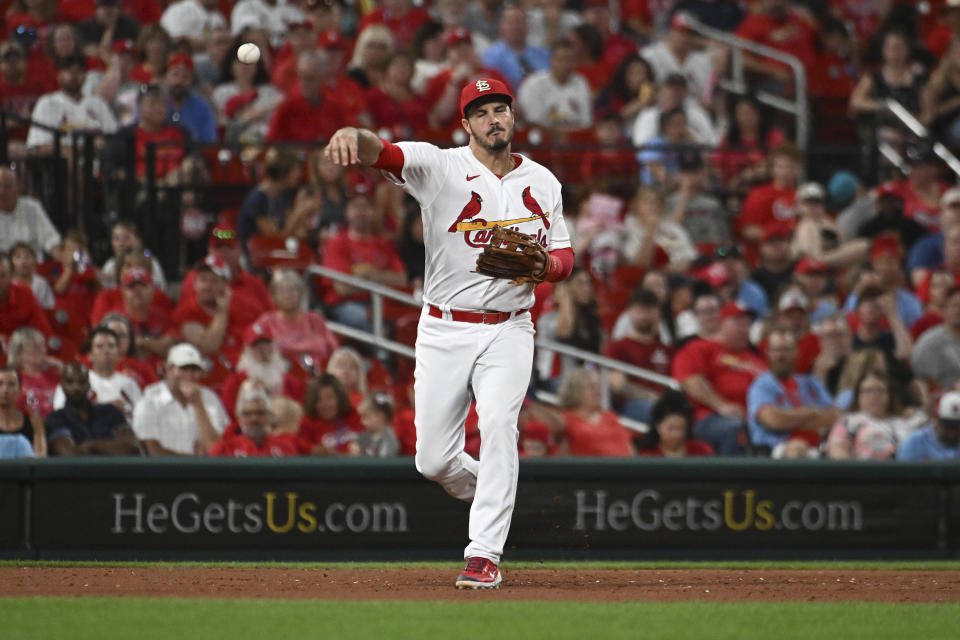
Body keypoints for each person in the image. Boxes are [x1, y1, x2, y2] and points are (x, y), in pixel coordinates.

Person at [324, 76, 574, 589]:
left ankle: (483, 554)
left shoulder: (544, 181)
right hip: (443, 327)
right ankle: (495, 491)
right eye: (481, 112)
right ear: (466, 124)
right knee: (433, 459)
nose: (492, 119)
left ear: (512, 116)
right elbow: (385, 154)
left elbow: (565, 256)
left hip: (510, 328)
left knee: (500, 425)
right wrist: (354, 131)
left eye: (499, 109)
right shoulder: (441, 166)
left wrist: (547, 265)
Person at [671, 301, 767, 455]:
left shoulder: (757, 360)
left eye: (748, 325)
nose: (745, 330)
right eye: (739, 324)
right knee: (735, 429)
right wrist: (721, 406)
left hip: (757, 420)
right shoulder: (700, 348)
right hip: (710, 417)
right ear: (721, 324)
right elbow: (690, 380)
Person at [747, 329, 838, 458]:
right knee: (797, 447)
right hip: (775, 449)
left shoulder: (810, 382)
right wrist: (811, 413)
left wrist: (790, 419)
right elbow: (773, 420)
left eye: (786, 350)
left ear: (797, 352)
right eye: (776, 350)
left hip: (819, 446)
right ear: (767, 353)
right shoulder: (761, 385)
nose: (781, 355)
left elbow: (833, 416)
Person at [131, 342, 229, 456]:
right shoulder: (149, 400)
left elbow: (216, 449)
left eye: (194, 369)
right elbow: (152, 452)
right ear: (168, 368)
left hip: (205, 472)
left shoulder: (210, 398)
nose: (189, 375)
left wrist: (198, 405)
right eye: (183, 368)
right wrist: (196, 460)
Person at [26, 53, 118, 154]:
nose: (74, 76)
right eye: (69, 71)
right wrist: (84, 148)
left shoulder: (98, 103)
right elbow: (38, 147)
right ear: (59, 75)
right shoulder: (47, 103)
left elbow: (113, 135)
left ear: (85, 76)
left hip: (99, 163)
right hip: (63, 165)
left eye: (79, 71)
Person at [826, 370, 925, 460]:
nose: (874, 395)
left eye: (880, 390)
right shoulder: (848, 421)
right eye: (868, 391)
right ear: (858, 396)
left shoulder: (903, 422)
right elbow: (838, 451)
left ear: (889, 395)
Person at [46, 361, 139, 456]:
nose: (76, 387)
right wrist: (109, 447)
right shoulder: (55, 419)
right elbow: (69, 455)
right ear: (62, 386)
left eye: (82, 382)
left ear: (89, 385)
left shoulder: (110, 412)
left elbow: (132, 448)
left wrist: (91, 446)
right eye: (70, 382)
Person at [255, 269, 339, 373]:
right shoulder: (266, 322)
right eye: (282, 290)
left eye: (292, 289)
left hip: (318, 376)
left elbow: (334, 351)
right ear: (273, 296)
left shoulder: (315, 319)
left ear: (301, 293)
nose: (288, 295)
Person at [53, 327, 142, 420]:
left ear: (118, 354)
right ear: (90, 355)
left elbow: (142, 416)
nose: (106, 351)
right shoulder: (75, 381)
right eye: (100, 346)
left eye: (111, 346)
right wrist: (107, 409)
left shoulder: (130, 384)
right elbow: (62, 415)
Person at [266, 50, 353, 143]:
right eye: (301, 77)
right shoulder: (286, 109)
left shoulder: (334, 108)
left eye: (310, 78)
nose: (304, 83)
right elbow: (270, 145)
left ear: (322, 78)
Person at [516, 38, 592, 132]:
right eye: (562, 59)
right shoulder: (534, 84)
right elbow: (532, 122)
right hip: (541, 140)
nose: (566, 64)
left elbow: (586, 122)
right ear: (551, 60)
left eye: (570, 59)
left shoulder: (581, 83)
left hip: (574, 141)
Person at [557, 367, 636, 456]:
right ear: (575, 391)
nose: (597, 391)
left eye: (598, 386)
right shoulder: (565, 420)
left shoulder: (610, 416)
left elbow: (628, 446)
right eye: (591, 387)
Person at [210, 386, 302, 457]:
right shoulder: (224, 449)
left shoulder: (285, 447)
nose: (254, 418)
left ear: (270, 416)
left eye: (260, 413)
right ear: (240, 418)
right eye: (248, 414)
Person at [481, 6, 550, 89]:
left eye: (519, 22)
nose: (515, 27)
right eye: (510, 23)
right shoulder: (489, 57)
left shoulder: (544, 55)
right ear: (501, 27)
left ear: (527, 26)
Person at [0, 167, 61, 257]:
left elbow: (51, 240)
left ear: (17, 187)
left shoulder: (32, 208)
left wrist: (64, 260)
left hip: (33, 268)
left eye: (7, 186)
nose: (2, 192)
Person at [297, 372, 362, 454]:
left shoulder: (355, 416)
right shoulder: (307, 422)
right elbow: (299, 444)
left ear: (340, 398)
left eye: (329, 398)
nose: (325, 405)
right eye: (319, 400)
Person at [636, 389, 714, 457]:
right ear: (658, 427)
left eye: (680, 428)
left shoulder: (702, 451)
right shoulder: (648, 455)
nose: (676, 435)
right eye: (671, 429)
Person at [912, 285, 960, 391]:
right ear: (944, 310)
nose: (958, 310)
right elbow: (924, 379)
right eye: (954, 306)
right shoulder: (930, 342)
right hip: (944, 399)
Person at [163, 53, 217, 144]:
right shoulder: (155, 103)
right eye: (175, 75)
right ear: (167, 76)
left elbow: (209, 142)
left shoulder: (202, 107)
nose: (179, 81)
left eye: (185, 77)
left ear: (191, 81)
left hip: (192, 154)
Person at [898, 390, 960, 461]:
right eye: (948, 426)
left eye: (957, 427)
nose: (952, 432)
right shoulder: (915, 442)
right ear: (937, 420)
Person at [0, 366, 45, 457]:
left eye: (11, 384)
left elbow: (41, 460)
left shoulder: (32, 423)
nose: (5, 390)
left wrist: (39, 430)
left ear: (20, 390)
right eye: (0, 384)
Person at [348, 391, 400, 457]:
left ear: (380, 416)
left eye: (365, 417)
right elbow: (356, 445)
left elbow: (384, 463)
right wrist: (354, 448)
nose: (361, 421)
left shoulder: (389, 439)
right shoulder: (366, 434)